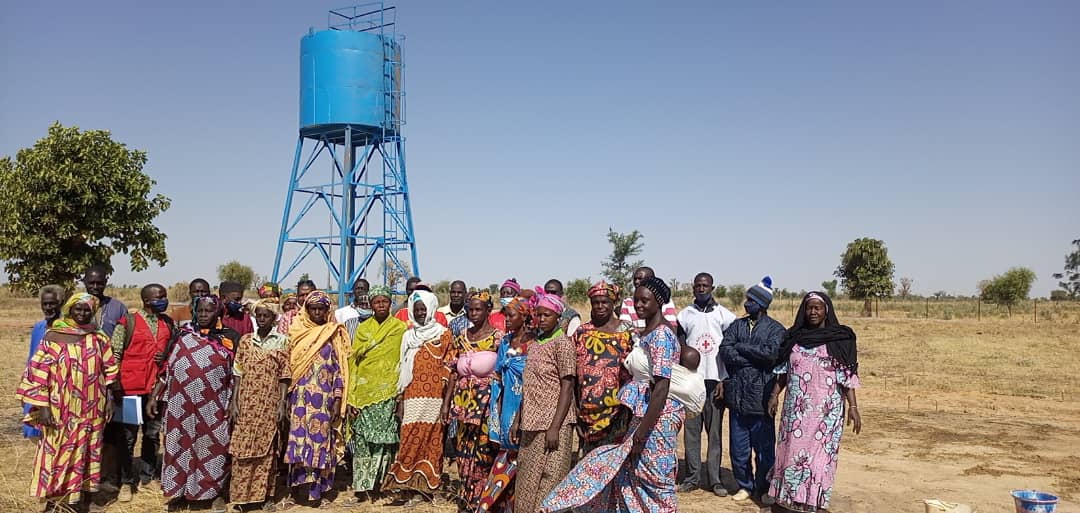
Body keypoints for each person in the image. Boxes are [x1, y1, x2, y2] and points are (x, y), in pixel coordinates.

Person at [541, 277, 688, 513]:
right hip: (602, 417)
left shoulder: (639, 334)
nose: (639, 305)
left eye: (644, 301)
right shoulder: (587, 333)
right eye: (637, 300)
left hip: (633, 418)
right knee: (615, 474)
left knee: (651, 478)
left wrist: (639, 433)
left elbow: (661, 385)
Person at [17, 293, 119, 512]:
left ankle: (77, 500)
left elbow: (109, 370)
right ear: (70, 309)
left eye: (87, 311)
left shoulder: (99, 337)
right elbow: (37, 374)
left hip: (92, 409)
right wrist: (42, 406)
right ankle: (54, 502)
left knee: (85, 453)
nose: (82, 314)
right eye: (78, 309)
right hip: (59, 410)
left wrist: (109, 399)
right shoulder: (53, 336)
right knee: (56, 452)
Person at [768, 292, 861, 513]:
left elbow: (846, 377)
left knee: (820, 461)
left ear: (826, 310)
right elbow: (783, 373)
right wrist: (774, 395)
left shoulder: (839, 340)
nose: (813, 312)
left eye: (818, 308)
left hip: (826, 414)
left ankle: (815, 503)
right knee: (791, 455)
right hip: (796, 413)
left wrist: (854, 408)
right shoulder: (794, 338)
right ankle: (788, 502)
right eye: (809, 307)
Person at [149, 295, 236, 512]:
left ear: (218, 313)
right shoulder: (183, 334)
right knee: (178, 446)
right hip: (180, 406)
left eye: (209, 311)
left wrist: (235, 402)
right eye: (201, 310)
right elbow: (167, 369)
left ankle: (212, 493)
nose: (204, 314)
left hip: (214, 406)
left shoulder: (230, 338)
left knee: (214, 447)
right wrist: (154, 396)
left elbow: (237, 374)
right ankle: (178, 493)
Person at [384, 290, 455, 507]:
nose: (421, 313)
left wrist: (445, 403)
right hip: (411, 397)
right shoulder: (408, 336)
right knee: (409, 441)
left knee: (431, 443)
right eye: (417, 310)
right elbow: (402, 368)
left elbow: (449, 368)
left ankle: (425, 490)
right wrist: (400, 401)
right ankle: (407, 486)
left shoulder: (443, 334)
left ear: (432, 309)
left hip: (434, 399)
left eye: (424, 309)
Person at [718, 276, 785, 503]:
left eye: (751, 299)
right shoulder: (737, 325)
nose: (747, 303)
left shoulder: (776, 329)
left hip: (762, 397)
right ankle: (744, 485)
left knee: (765, 450)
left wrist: (742, 348)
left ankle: (764, 488)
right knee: (738, 450)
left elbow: (771, 355)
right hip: (737, 397)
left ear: (762, 304)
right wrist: (752, 356)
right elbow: (725, 350)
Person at [283, 291, 350, 508]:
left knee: (320, 444)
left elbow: (340, 369)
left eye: (321, 308)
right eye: (313, 308)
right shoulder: (296, 332)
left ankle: (316, 492)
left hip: (323, 400)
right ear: (307, 309)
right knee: (299, 443)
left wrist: (338, 399)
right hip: (299, 399)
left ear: (327, 310)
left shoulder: (333, 333)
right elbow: (288, 367)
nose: (318, 312)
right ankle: (298, 489)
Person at [109, 283, 177, 500]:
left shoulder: (168, 323)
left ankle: (147, 477)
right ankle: (127, 482)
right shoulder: (127, 322)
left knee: (152, 434)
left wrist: (164, 357)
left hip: (156, 390)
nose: (164, 300)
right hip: (129, 390)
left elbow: (173, 352)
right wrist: (115, 386)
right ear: (146, 300)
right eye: (160, 297)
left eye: (164, 296)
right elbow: (114, 355)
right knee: (127, 437)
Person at [515, 289, 577, 513]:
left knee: (550, 481)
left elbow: (567, 386)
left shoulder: (563, 344)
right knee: (526, 481)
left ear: (558, 317)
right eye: (538, 314)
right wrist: (517, 420)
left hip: (554, 424)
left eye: (546, 315)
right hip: (532, 422)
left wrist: (555, 427)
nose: (541, 319)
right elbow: (529, 385)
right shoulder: (536, 344)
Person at [676, 272, 737, 496]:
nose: (701, 289)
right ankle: (692, 478)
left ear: (713, 288)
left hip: (715, 383)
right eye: (698, 286)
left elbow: (729, 350)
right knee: (691, 433)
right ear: (693, 288)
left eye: (705, 286)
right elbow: (680, 347)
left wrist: (725, 378)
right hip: (692, 383)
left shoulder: (724, 316)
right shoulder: (685, 315)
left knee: (714, 433)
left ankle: (715, 480)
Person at [228, 298, 291, 510]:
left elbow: (284, 376)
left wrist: (282, 403)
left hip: (270, 403)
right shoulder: (246, 341)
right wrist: (234, 402)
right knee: (242, 449)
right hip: (246, 403)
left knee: (267, 451)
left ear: (274, 319)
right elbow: (238, 373)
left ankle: (264, 497)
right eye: (259, 315)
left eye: (267, 316)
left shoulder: (283, 341)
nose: (262, 319)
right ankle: (241, 498)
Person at [348, 285, 407, 500]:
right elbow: (354, 362)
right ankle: (362, 487)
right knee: (363, 441)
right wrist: (351, 397)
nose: (380, 305)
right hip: (364, 393)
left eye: (384, 302)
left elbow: (403, 360)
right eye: (376, 302)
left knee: (386, 442)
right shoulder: (363, 330)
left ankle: (382, 485)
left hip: (389, 392)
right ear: (371, 305)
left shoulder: (399, 329)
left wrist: (401, 393)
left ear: (390, 303)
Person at [448, 290, 504, 510]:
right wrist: (446, 405)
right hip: (462, 405)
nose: (473, 313)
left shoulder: (499, 338)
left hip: (486, 405)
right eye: (470, 309)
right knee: (463, 451)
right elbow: (453, 371)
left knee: (484, 453)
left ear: (489, 310)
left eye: (478, 309)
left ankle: (483, 501)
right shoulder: (461, 337)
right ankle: (468, 497)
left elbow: (503, 373)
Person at [477, 297, 534, 512]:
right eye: (505, 315)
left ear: (525, 316)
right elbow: (498, 378)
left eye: (512, 315)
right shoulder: (505, 343)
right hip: (506, 402)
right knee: (506, 453)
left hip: (526, 404)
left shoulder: (534, 345)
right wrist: (497, 412)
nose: (507, 320)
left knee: (523, 459)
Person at [572, 280, 633, 454]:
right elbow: (574, 376)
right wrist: (576, 409)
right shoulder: (582, 332)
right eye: (595, 302)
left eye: (604, 302)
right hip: (586, 413)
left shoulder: (627, 332)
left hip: (619, 412)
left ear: (614, 303)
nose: (600, 306)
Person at [22, 284, 64, 440]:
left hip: (58, 390)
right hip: (36, 389)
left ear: (60, 304)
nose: (48, 308)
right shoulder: (39, 327)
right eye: (45, 304)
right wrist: (25, 390)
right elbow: (31, 359)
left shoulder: (67, 329)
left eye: (52, 304)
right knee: (36, 435)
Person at [618, 266, 677, 332]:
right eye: (635, 279)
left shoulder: (664, 301)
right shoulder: (627, 302)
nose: (637, 281)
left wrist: (640, 330)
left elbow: (672, 328)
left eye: (640, 279)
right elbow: (623, 328)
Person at [82, 264, 127, 337]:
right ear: (85, 282)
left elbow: (125, 336)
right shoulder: (75, 305)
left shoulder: (118, 308)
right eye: (91, 283)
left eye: (99, 283)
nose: (95, 287)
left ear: (105, 282)